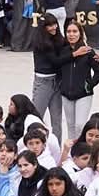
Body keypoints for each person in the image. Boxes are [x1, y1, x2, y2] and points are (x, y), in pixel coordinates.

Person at [60, 20, 99, 140]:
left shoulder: (88, 51)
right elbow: (56, 63)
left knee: (80, 125)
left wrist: (89, 85)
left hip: (83, 94)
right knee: (70, 125)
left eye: (74, 31)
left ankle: (82, 148)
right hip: (66, 93)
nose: (71, 34)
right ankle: (72, 152)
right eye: (68, 31)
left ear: (80, 33)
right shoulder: (63, 50)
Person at [31, 13, 66, 142]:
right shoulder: (40, 42)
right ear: (43, 27)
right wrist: (74, 54)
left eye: (54, 24)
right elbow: (56, 61)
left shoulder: (58, 38)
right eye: (49, 26)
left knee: (57, 120)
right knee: (36, 117)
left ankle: (57, 148)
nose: (53, 28)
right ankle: (35, 146)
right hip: (43, 82)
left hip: (57, 81)